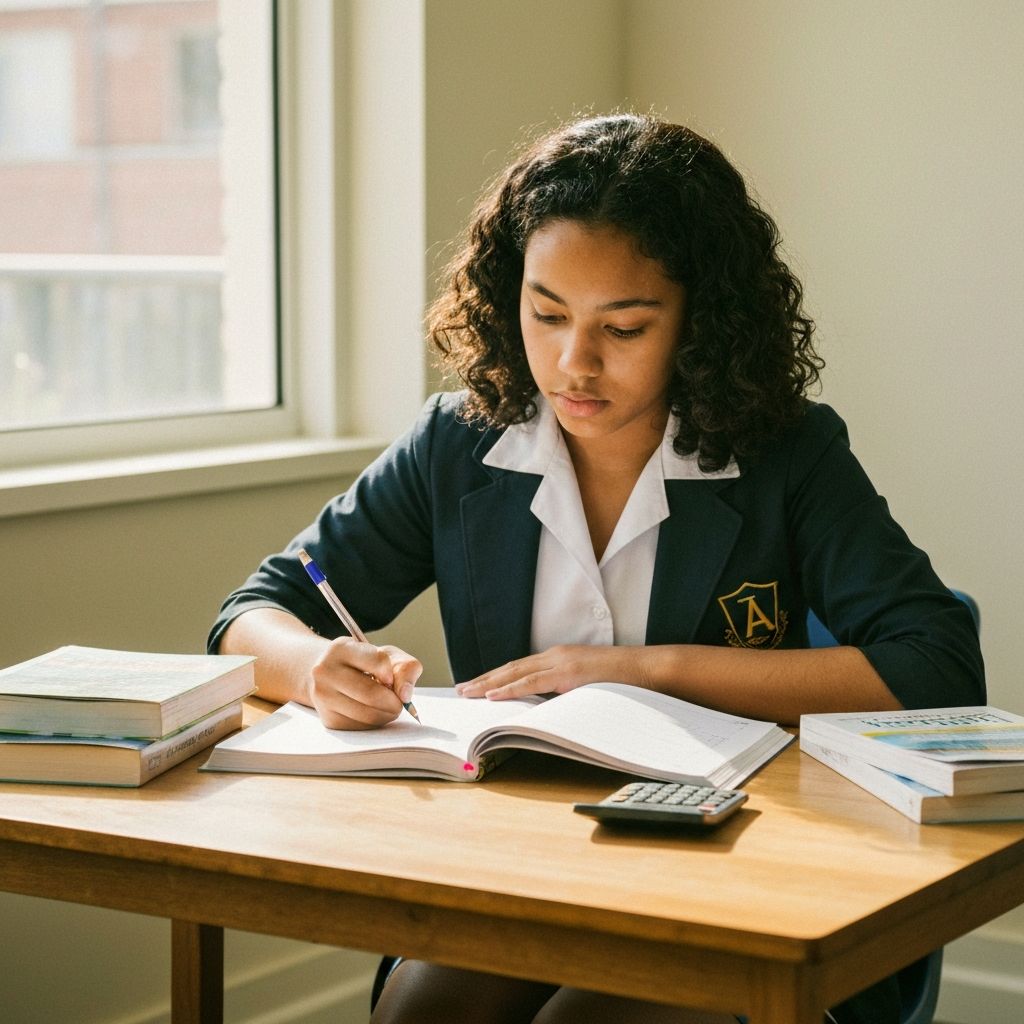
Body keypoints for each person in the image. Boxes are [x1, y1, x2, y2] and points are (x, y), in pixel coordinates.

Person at [209, 113, 984, 1024]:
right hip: (519, 861)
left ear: (702, 319)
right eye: (546, 314)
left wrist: (638, 668)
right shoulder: (458, 447)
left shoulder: (787, 454)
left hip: (731, 868)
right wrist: (315, 668)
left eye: (623, 326)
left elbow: (937, 665)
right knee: (423, 1015)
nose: (573, 364)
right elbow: (253, 610)